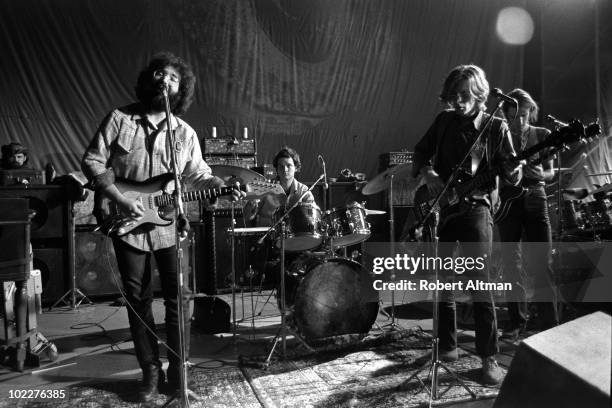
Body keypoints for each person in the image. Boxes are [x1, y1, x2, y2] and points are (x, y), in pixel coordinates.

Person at [81, 51, 243, 402]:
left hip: (169, 224)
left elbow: (197, 176)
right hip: (126, 220)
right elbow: (93, 160)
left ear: (181, 88)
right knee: (138, 300)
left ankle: (177, 373)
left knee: (176, 301)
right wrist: (119, 197)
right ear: (148, 80)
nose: (164, 80)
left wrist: (224, 187)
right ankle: (149, 374)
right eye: (159, 74)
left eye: (172, 78)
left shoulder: (183, 133)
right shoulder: (120, 119)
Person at [410, 64, 520, 385]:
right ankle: (448, 345)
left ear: (478, 95)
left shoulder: (496, 127)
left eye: (464, 95)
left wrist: (514, 169)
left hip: (476, 212)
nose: (458, 101)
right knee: (443, 279)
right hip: (445, 210)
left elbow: (512, 175)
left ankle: (488, 358)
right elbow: (420, 152)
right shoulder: (444, 122)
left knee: (480, 284)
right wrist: (429, 174)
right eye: (453, 96)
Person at [497, 88, 558, 341]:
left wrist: (530, 170)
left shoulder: (542, 135)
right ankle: (515, 323)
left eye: (524, 115)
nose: (519, 121)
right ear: (506, 114)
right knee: (511, 264)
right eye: (514, 116)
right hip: (508, 201)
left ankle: (550, 324)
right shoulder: (499, 136)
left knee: (541, 263)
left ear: (531, 112)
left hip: (535, 197)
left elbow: (551, 173)